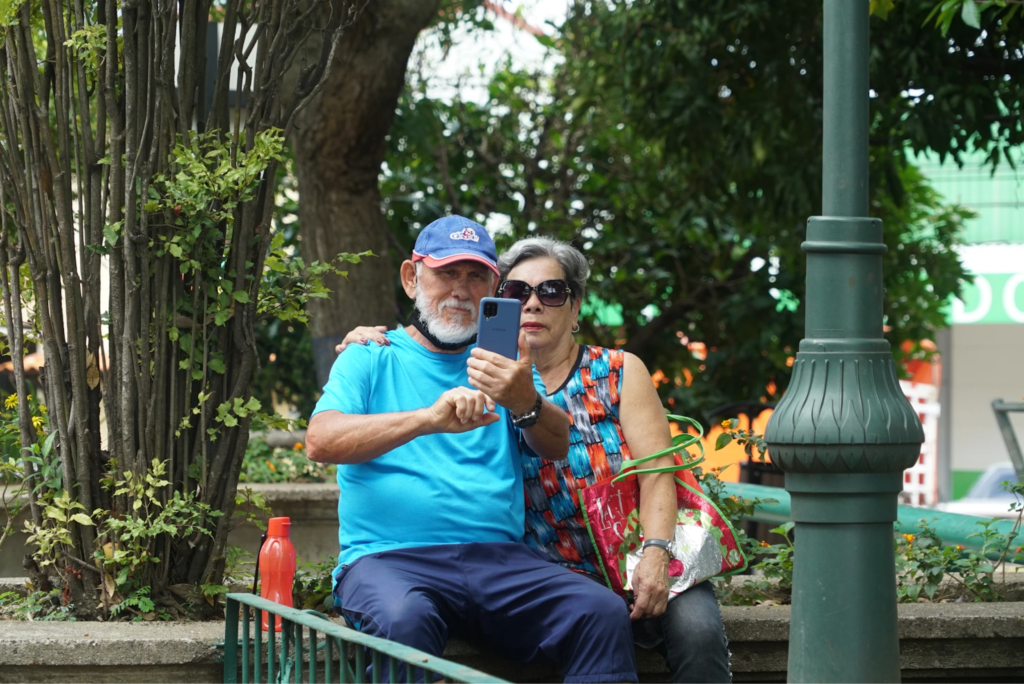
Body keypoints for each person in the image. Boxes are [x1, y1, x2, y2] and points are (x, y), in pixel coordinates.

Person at [338, 235, 732, 684]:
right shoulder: (482, 370)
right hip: (549, 564)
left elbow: (657, 471)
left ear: (575, 306)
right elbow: (414, 357)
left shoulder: (615, 370)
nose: (532, 304)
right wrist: (366, 340)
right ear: (497, 301)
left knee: (696, 632)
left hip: (634, 551)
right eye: (516, 292)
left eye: (551, 292)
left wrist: (656, 553)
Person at [307, 216, 639, 684]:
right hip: (389, 560)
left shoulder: (502, 362)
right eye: (447, 273)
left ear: (492, 288)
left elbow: (558, 442)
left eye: (476, 275)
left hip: (500, 560)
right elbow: (321, 440)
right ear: (411, 277)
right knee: (404, 620)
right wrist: (427, 419)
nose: (461, 290)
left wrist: (526, 402)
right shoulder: (369, 354)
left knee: (600, 612)